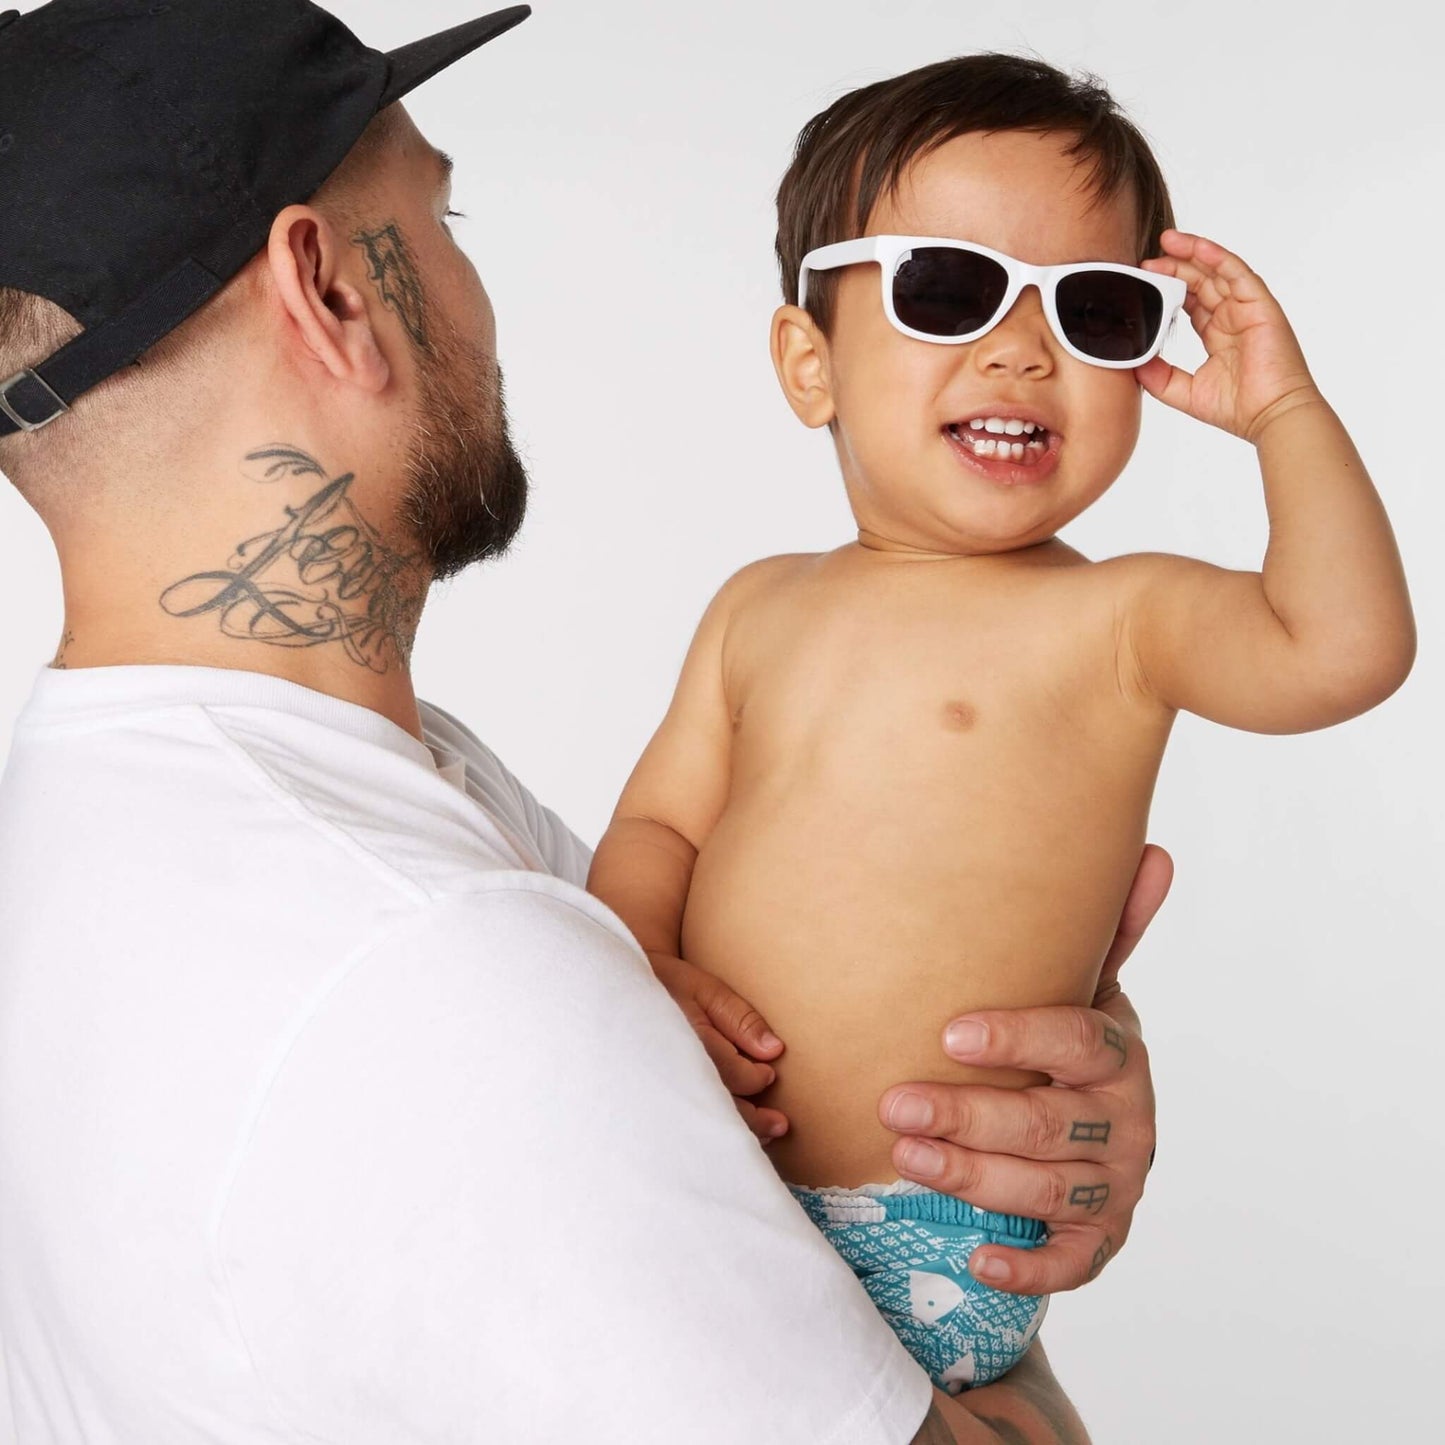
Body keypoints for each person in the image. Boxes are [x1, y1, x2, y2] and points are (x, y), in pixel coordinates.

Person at [0, 5, 1163, 1442]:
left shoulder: (145, 822)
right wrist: (990, 1318)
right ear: (328, 291)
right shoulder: (443, 963)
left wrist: (1020, 1123)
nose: (478, 293)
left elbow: (745, 1045)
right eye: (442, 219)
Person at [586, 51, 1416, 1395]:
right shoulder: (756, 607)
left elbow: (1345, 649)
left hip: (940, 1214)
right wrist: (636, 972)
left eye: (1095, 310)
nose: (1024, 348)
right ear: (810, 364)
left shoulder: (1124, 616)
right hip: (707, 1165)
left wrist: (1282, 414)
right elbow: (659, 829)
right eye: (948, 287)